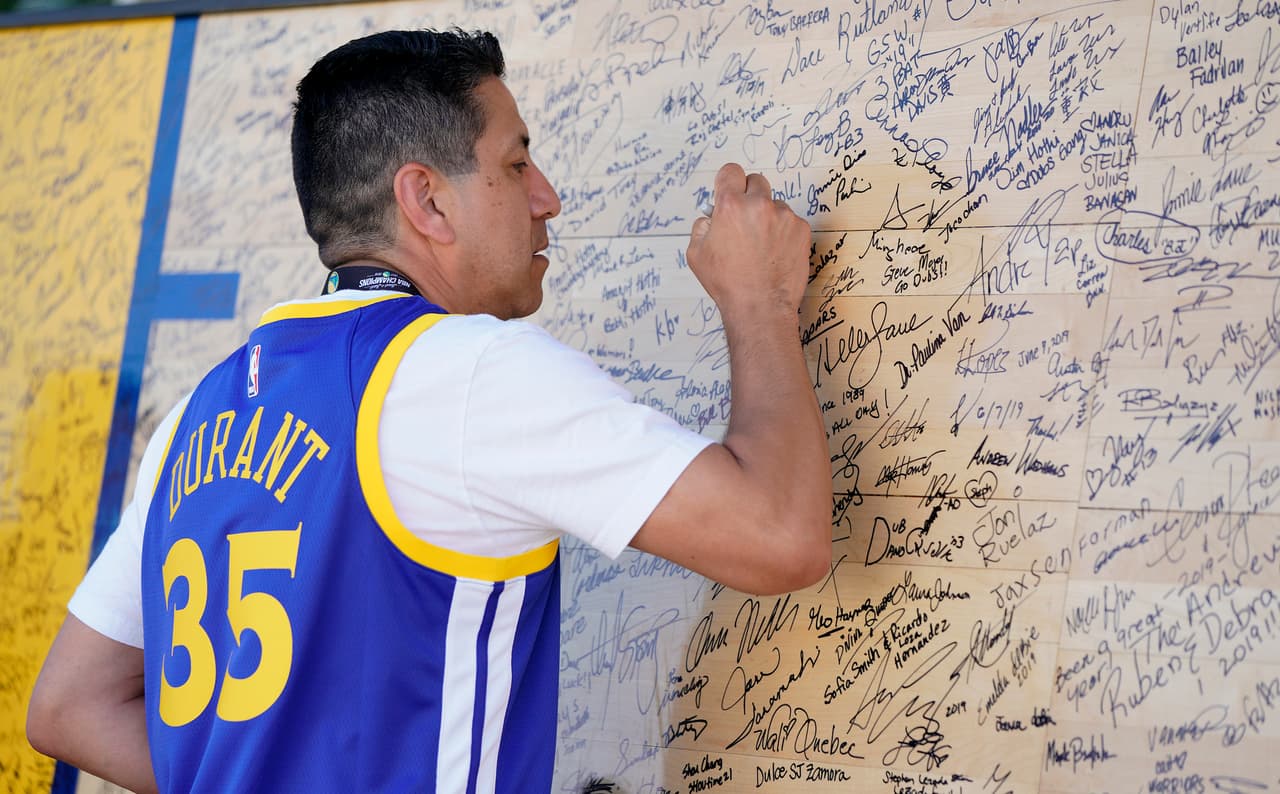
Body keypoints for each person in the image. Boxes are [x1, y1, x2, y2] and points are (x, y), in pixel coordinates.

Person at [27, 28, 829, 794]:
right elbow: (779, 537)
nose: (547, 197)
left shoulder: (196, 415)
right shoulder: (469, 372)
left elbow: (70, 706)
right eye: (516, 166)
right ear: (427, 202)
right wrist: (759, 299)